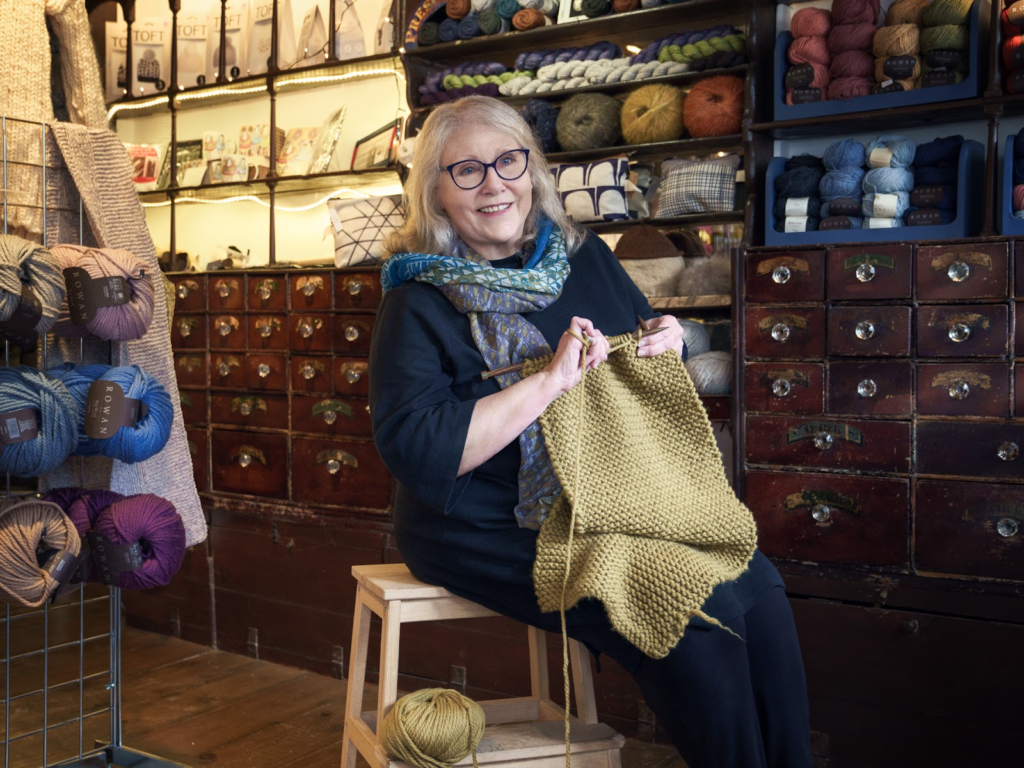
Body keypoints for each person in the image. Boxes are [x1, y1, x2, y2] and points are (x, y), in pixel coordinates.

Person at [368, 95, 811, 768]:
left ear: (533, 168)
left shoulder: (582, 257)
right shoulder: (417, 300)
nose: (494, 184)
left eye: (508, 160)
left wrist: (670, 340)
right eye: (466, 171)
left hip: (616, 493)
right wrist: (547, 383)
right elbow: (422, 450)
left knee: (757, 585)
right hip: (485, 520)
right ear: (433, 190)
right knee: (691, 613)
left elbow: (639, 339)